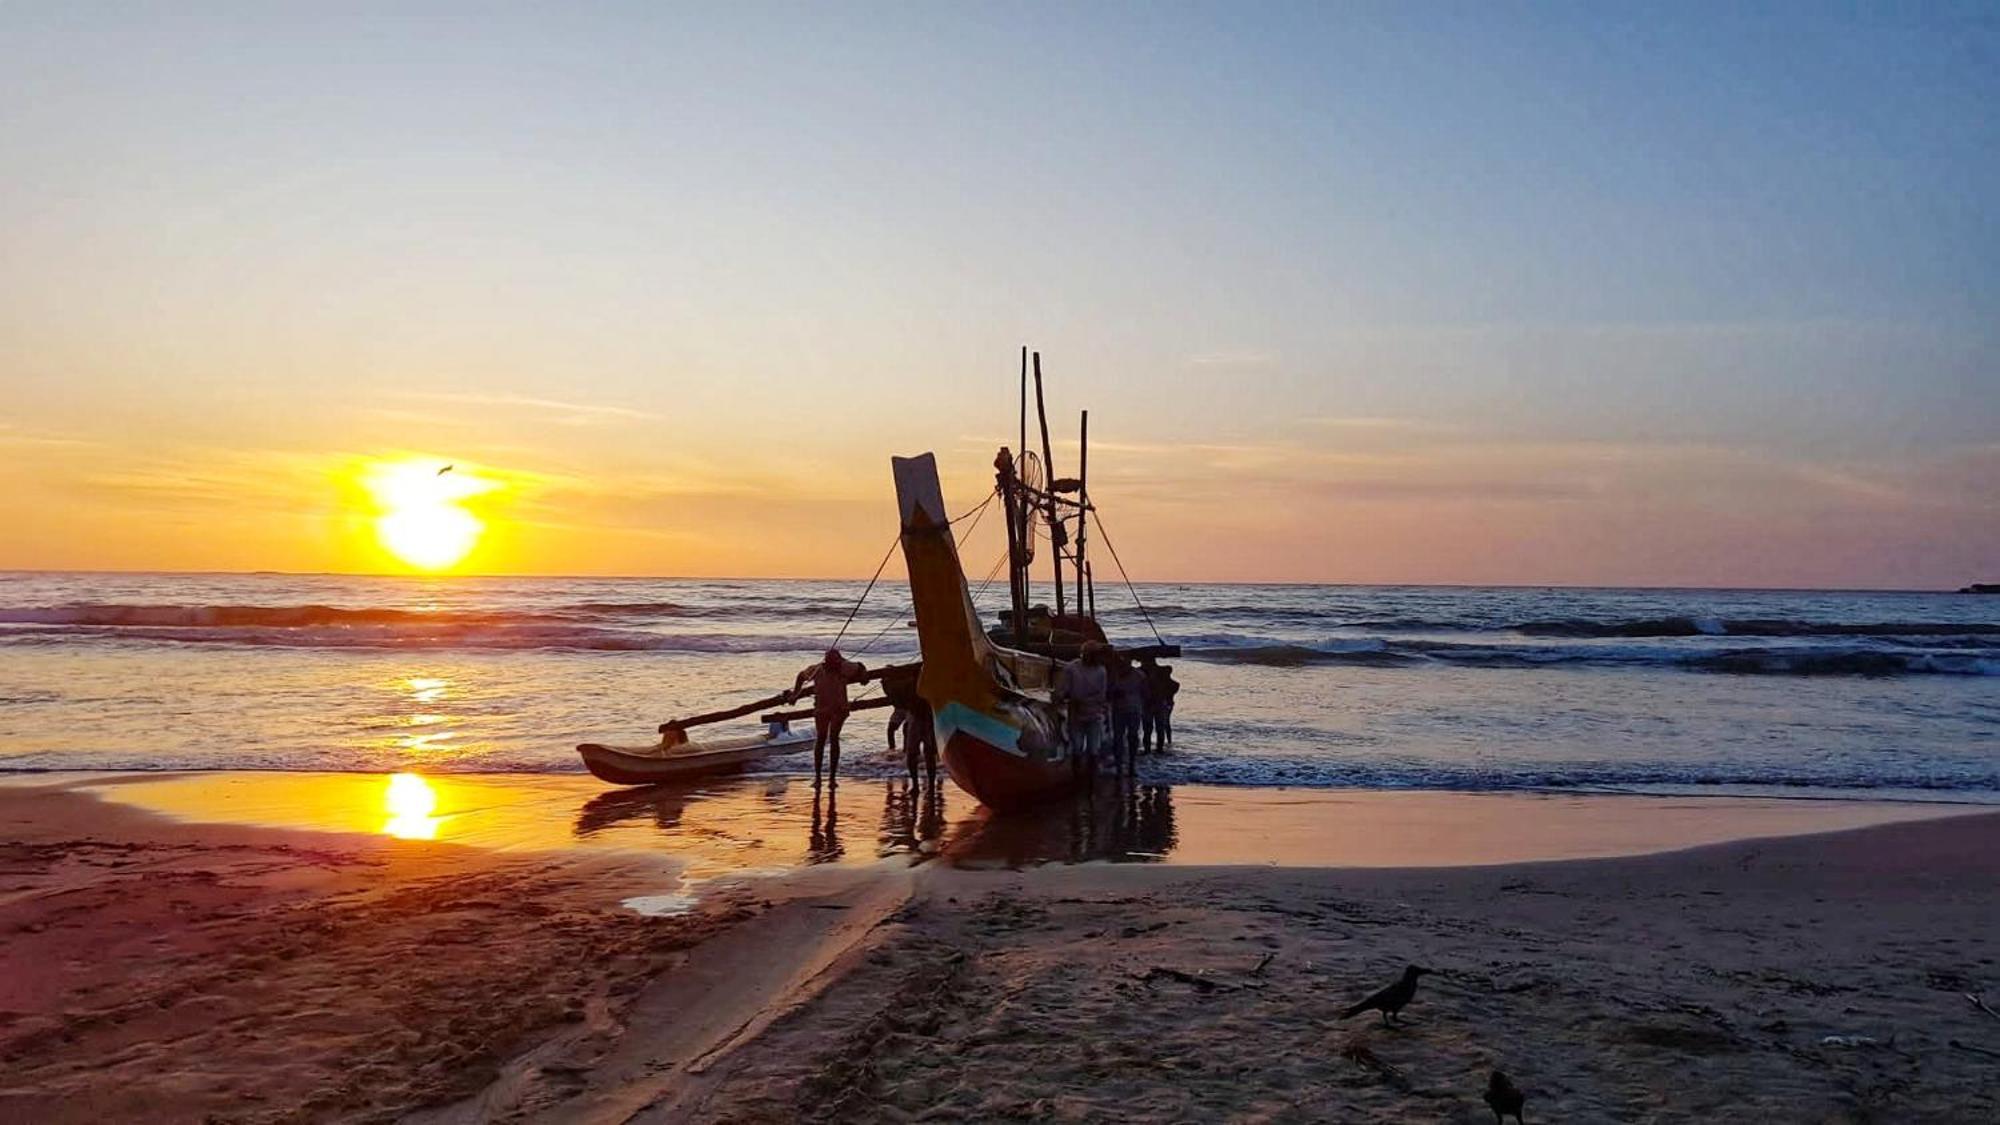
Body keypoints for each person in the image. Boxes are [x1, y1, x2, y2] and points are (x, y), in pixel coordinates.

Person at [792, 646, 866, 785]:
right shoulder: (818, 669)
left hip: (839, 710)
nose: (833, 665)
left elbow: (861, 667)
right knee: (821, 739)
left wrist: (863, 677)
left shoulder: (844, 667)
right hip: (822, 710)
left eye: (836, 662)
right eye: (830, 662)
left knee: (833, 738)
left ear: (839, 661)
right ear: (825, 662)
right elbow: (801, 676)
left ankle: (831, 778)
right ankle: (818, 777)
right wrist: (795, 695)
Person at [1053, 640, 1110, 776]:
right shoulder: (1071, 668)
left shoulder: (1101, 671)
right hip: (1076, 714)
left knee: (1093, 750)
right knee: (1077, 748)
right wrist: (1059, 698)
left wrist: (1080, 700)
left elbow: (1102, 695)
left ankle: (1091, 782)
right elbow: (1063, 690)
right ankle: (1078, 777)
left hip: (1093, 715)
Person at [1109, 655, 1146, 773]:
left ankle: (1131, 764)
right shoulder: (1114, 675)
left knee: (1132, 737)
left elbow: (1146, 692)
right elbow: (1108, 692)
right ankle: (1120, 765)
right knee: (1118, 738)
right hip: (1119, 710)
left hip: (1134, 710)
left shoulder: (1139, 675)